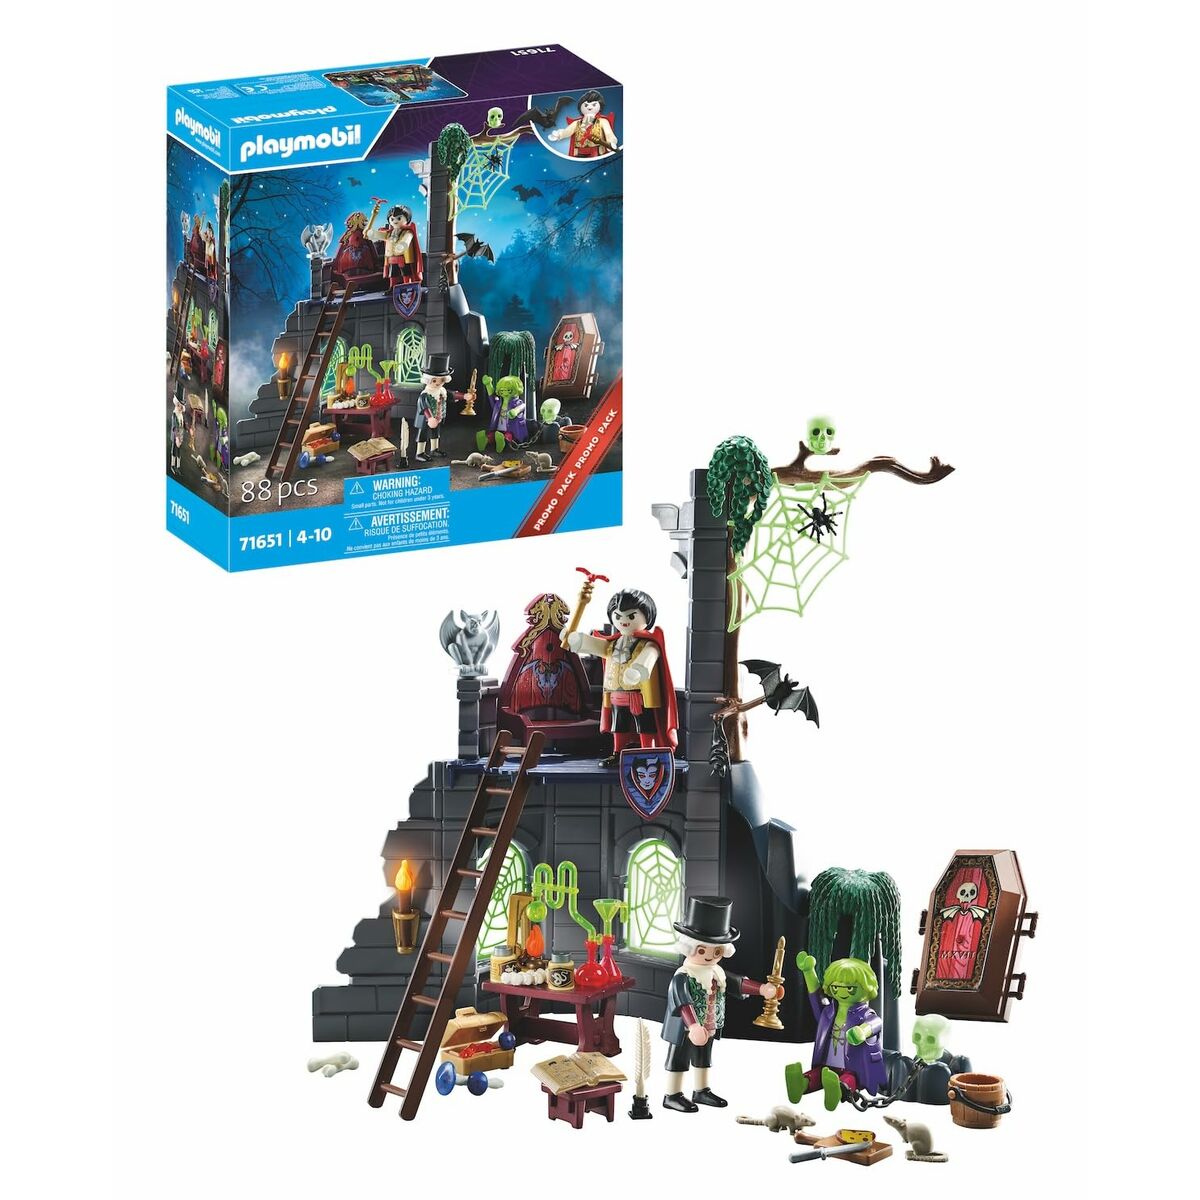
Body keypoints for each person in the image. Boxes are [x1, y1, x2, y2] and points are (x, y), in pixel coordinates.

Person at [660, 897, 781, 1113]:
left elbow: (738, 984)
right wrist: (693, 1026)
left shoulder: (717, 973)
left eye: (716, 952)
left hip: (709, 1025)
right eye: (702, 950)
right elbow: (682, 1002)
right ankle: (672, 1094)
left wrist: (762, 989)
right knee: (679, 1058)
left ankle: (701, 1090)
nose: (710, 956)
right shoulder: (683, 976)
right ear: (688, 947)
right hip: (685, 1028)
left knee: (704, 1058)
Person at [566, 587, 678, 767]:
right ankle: (618, 752)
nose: (624, 620)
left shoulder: (648, 644)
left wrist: (639, 670)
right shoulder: (613, 644)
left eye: (631, 616)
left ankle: (647, 751)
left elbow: (648, 658)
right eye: (618, 616)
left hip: (640, 696)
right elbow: (595, 645)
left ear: (647, 616)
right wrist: (576, 639)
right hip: (616, 694)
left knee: (645, 725)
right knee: (618, 725)